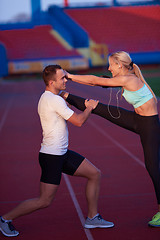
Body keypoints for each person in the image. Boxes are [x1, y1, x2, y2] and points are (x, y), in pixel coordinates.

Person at [0, 65, 114, 237]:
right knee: (44, 200)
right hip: (52, 157)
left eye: (65, 77)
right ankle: (5, 219)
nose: (65, 80)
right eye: (62, 78)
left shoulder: (49, 97)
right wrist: (90, 107)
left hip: (61, 153)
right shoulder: (54, 100)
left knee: (94, 174)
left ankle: (92, 217)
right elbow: (78, 121)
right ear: (52, 82)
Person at [61, 51, 160, 227]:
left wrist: (68, 76)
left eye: (111, 65)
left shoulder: (128, 79)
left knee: (153, 167)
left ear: (119, 65)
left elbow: (95, 81)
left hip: (149, 126)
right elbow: (102, 80)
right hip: (137, 119)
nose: (109, 67)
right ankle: (65, 96)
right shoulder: (126, 77)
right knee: (99, 108)